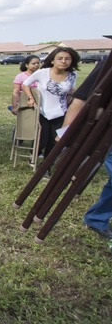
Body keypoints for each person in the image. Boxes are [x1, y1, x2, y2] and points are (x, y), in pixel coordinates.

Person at [60, 56, 111, 239]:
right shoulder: (108, 64)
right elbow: (81, 100)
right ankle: (97, 218)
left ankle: (97, 217)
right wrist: (65, 133)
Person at [22, 47, 79, 158]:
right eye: (60, 58)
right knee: (42, 139)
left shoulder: (72, 75)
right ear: (52, 60)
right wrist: (30, 98)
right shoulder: (42, 73)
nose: (63, 61)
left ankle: (47, 165)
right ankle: (33, 156)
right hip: (43, 112)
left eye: (67, 59)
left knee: (54, 141)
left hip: (61, 112)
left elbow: (72, 90)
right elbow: (26, 83)